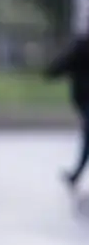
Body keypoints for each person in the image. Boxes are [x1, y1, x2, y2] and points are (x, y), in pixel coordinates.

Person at [45, 36, 89, 187]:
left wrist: (50, 72)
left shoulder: (81, 46)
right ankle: (76, 174)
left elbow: (63, 64)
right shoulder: (81, 46)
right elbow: (64, 64)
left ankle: (76, 174)